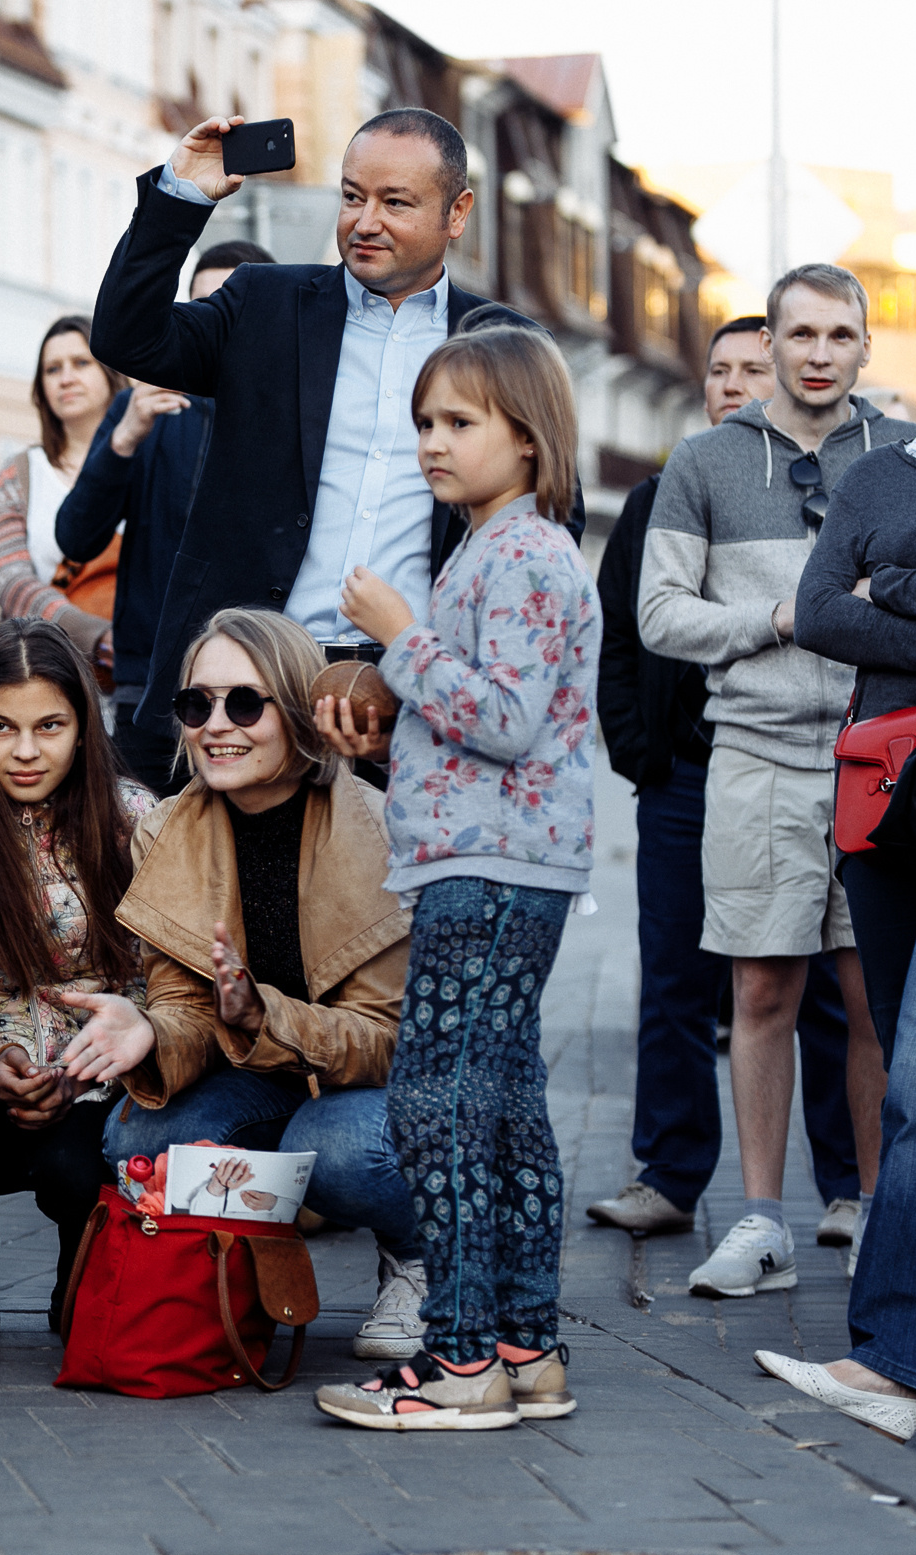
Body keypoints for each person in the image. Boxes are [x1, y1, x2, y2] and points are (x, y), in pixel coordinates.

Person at [309, 324, 599, 1433]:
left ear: (528, 438)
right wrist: (398, 725)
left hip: (491, 868)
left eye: (460, 422)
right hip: (497, 858)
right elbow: (484, 720)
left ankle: (461, 1359)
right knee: (505, 1101)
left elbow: (509, 717)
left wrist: (399, 636)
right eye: (425, 420)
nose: (433, 441)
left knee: (435, 1101)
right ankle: (526, 1347)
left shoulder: (520, 553)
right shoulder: (497, 547)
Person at [638, 263, 916, 1297]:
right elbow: (659, 613)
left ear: (865, 346)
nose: (819, 354)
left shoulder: (902, 455)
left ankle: (878, 1210)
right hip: (756, 751)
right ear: (774, 342)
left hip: (887, 756)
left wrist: (877, 598)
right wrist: (781, 617)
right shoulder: (706, 459)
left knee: (876, 999)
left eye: (840, 335)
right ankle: (762, 1223)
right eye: (801, 334)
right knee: (761, 986)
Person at [91, 108, 507, 758]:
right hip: (255, 686)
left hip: (417, 695)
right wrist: (181, 195)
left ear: (457, 213)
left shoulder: (502, 343)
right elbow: (126, 338)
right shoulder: (262, 304)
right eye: (352, 197)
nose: (365, 222)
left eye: (395, 202)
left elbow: (548, 512)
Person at [587, 315, 861, 1240]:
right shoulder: (658, 497)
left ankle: (845, 1186)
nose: (734, 384)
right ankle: (669, 1178)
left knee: (819, 984)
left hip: (790, 765)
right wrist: (639, 752)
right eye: (719, 370)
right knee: (673, 981)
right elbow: (620, 633)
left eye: (753, 368)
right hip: (683, 777)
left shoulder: (829, 492)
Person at [103, 607, 425, 1360]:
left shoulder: (386, 829)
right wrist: (149, 1031)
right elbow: (185, 1005)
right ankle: (240, 1264)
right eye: (197, 704)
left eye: (245, 703)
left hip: (371, 1084)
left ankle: (423, 1254)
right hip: (257, 1074)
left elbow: (391, 1042)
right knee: (136, 1137)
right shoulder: (167, 829)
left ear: (301, 712)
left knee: (338, 1150)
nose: (217, 725)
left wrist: (264, 1014)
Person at [0, 618, 156, 1338]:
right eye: (0, 727)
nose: (24, 751)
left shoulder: (135, 818)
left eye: (49, 726)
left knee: (79, 1170)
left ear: (83, 725)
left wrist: (79, 1069)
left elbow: (151, 980)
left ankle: (84, 1244)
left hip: (95, 1067)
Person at [761, 417, 916, 1441]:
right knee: (911, 1081)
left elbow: (852, 606)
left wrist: (894, 587)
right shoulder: (878, 475)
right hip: (888, 808)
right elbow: (818, 614)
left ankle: (891, 1361)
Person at [56, 240, 273, 791]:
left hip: (259, 694)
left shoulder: (292, 413)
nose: (218, 326)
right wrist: (124, 439)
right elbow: (76, 537)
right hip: (151, 691)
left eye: (233, 308)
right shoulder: (143, 408)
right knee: (148, 841)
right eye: (203, 309)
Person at [0, 315, 122, 664]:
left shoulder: (152, 461)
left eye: (81, 363)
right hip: (49, 666)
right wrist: (91, 634)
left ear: (111, 372)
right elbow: (8, 577)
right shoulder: (20, 473)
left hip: (143, 668)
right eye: (52, 369)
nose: (66, 378)